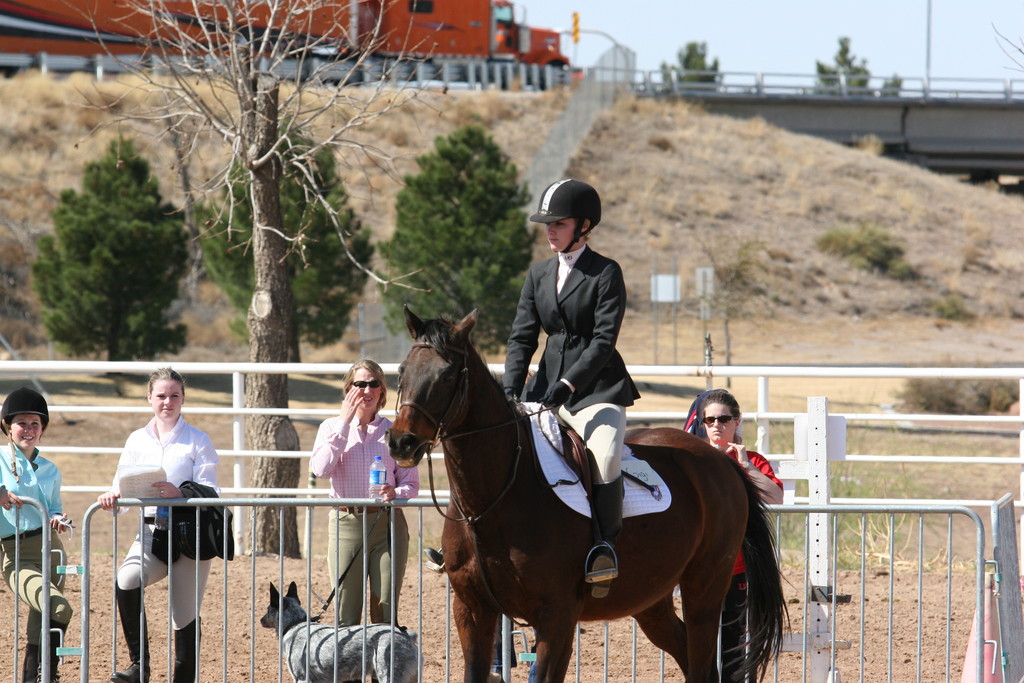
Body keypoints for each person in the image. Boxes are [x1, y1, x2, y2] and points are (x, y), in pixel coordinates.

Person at [503, 178, 640, 599]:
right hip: (543, 387)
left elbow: (603, 341)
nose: (549, 230)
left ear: (583, 226)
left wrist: (568, 383)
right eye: (546, 224)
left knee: (604, 453)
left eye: (558, 223)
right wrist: (511, 389)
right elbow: (522, 337)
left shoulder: (605, 272)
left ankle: (603, 545)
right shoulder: (538, 273)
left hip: (595, 389)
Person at [98, 368, 219, 683]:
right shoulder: (136, 440)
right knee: (127, 579)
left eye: (174, 396)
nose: (168, 402)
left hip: (189, 536)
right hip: (151, 531)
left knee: (183, 615)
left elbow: (212, 491)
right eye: (161, 396)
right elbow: (121, 484)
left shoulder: (198, 440)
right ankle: (139, 667)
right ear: (149, 398)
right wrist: (114, 496)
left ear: (183, 399)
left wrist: (179, 494)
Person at [310, 359, 419, 626]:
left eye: (373, 384)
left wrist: (395, 492)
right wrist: (344, 424)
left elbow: (411, 484)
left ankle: (385, 667)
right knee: (346, 610)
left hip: (387, 524)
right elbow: (320, 469)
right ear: (349, 389)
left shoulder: (394, 431)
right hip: (346, 523)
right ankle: (348, 668)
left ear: (382, 391)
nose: (366, 391)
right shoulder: (330, 428)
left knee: (385, 608)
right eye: (359, 384)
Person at [699, 389, 784, 683]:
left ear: (736, 422)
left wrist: (745, 464)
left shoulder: (753, 460)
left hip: (739, 566)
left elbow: (776, 497)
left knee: (735, 645)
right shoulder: (693, 459)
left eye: (723, 419)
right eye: (709, 420)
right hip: (700, 565)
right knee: (700, 638)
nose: (716, 425)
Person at [1, 387, 73, 683]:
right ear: (8, 426)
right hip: (16, 554)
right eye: (22, 423)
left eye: (35, 423)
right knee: (58, 606)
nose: (28, 430)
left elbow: (54, 506)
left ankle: (35, 679)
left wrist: (59, 518)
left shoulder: (50, 469)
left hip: (51, 548)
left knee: (41, 622)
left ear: (42, 428)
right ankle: (49, 674)